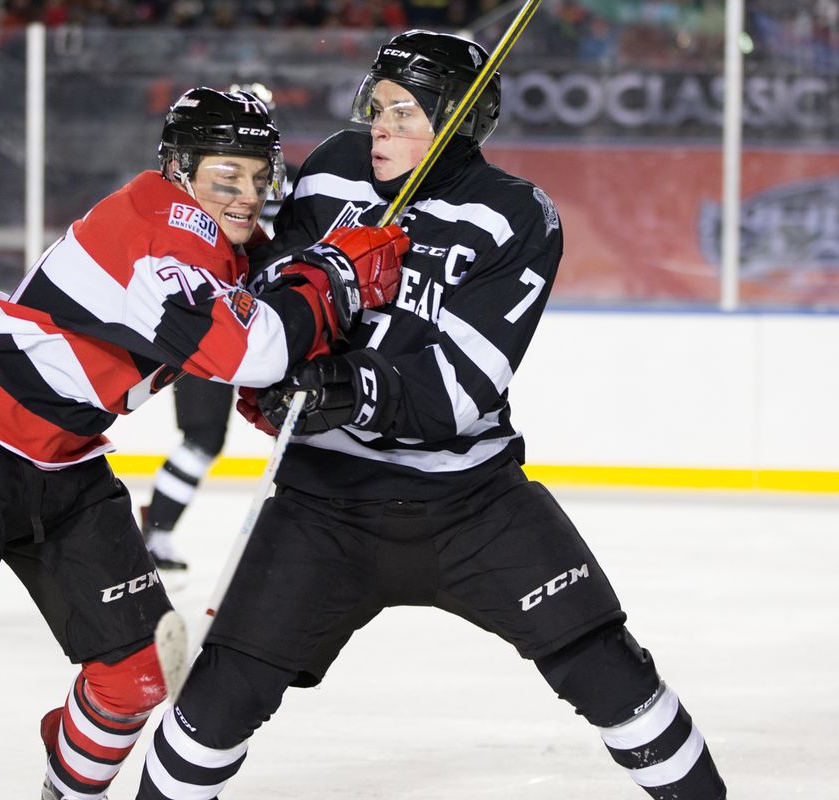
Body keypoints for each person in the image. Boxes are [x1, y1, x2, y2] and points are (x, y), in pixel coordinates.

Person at [0, 87, 408, 800]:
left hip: (66, 462)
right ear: (182, 170)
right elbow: (245, 347)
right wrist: (337, 278)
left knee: (137, 675)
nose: (247, 195)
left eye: (257, 176)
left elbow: (263, 331)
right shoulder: (165, 222)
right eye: (228, 176)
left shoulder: (221, 244)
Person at [136, 32, 728, 800]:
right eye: (375, 106)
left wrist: (338, 386)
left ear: (458, 120)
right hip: (324, 505)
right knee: (215, 703)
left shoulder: (516, 215)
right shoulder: (332, 174)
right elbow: (278, 296)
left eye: (404, 113)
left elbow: (459, 390)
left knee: (613, 676)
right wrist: (293, 336)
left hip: (472, 506)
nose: (379, 126)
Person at [140, 82, 295, 575]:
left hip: (259, 322)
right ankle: (157, 532)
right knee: (205, 436)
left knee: (291, 430)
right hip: (213, 317)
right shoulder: (185, 200)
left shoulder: (280, 189)